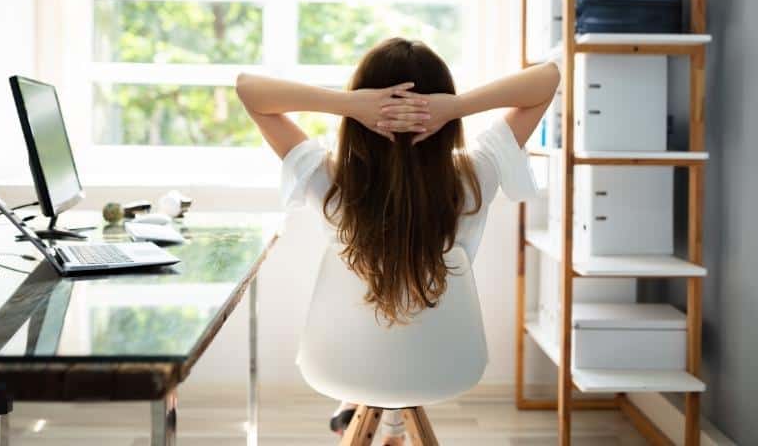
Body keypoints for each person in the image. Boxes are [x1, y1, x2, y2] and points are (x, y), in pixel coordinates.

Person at [236, 37, 559, 445]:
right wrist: (454, 107)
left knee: (372, 333)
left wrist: (351, 105)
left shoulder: (331, 180)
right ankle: (386, 424)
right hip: (442, 363)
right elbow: (548, 79)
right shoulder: (475, 176)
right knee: (401, 338)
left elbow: (248, 88)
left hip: (344, 363)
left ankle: (360, 410)